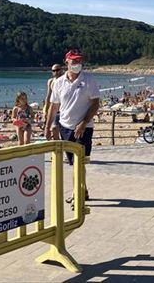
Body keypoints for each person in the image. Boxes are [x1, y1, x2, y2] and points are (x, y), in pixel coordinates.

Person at [45, 49, 100, 202]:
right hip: (65, 127)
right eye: (74, 61)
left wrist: (83, 122)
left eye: (79, 61)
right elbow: (53, 106)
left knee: (79, 162)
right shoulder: (59, 82)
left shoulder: (88, 79)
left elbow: (95, 103)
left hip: (84, 127)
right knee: (73, 163)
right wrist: (47, 126)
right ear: (66, 62)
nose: (77, 64)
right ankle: (84, 190)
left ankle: (77, 193)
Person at [43, 64, 63, 140]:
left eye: (57, 70)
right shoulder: (50, 81)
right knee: (54, 128)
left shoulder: (65, 80)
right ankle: (57, 150)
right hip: (55, 109)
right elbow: (48, 96)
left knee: (64, 131)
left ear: (61, 70)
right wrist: (46, 110)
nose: (56, 72)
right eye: (53, 70)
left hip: (64, 108)